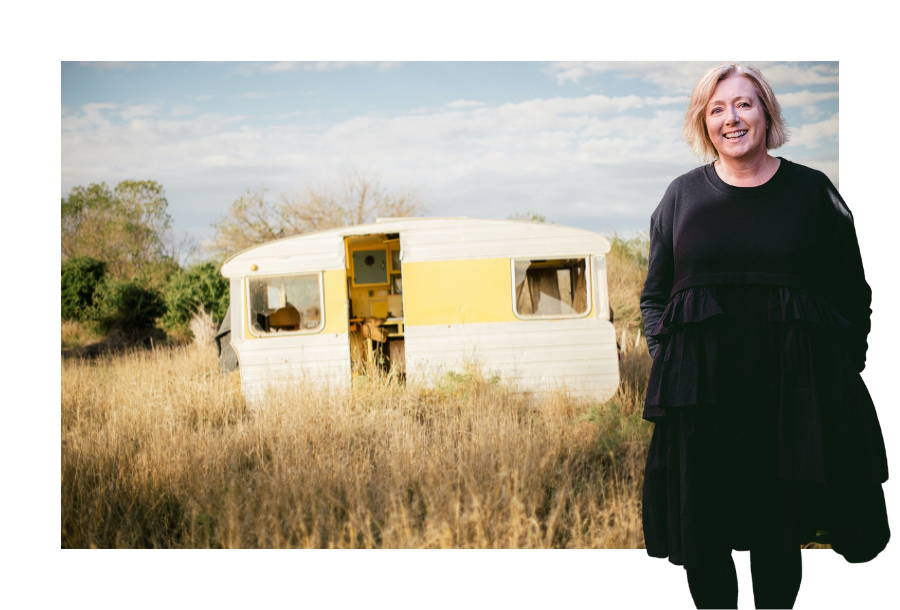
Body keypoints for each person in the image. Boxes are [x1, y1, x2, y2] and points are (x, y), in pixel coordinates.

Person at [639, 63, 890, 609]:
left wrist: (837, 374)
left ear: (767, 113)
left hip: (789, 401)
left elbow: (852, 292)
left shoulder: (812, 192)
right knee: (704, 535)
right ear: (704, 124)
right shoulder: (681, 198)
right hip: (702, 405)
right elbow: (655, 296)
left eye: (744, 104)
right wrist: (670, 362)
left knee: (778, 531)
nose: (731, 118)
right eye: (717, 109)